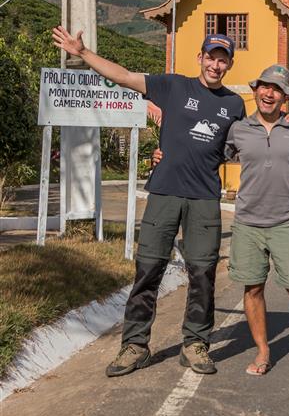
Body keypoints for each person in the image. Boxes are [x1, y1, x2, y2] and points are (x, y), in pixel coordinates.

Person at [52, 27, 245, 377]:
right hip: (165, 193)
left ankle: (195, 343)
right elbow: (123, 76)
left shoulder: (234, 104)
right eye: (211, 57)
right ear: (200, 57)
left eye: (223, 59)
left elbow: (241, 146)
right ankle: (135, 345)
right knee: (149, 270)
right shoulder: (173, 86)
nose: (216, 65)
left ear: (229, 64)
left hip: (204, 198)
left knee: (202, 273)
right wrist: (83, 52)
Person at [222, 65, 289, 387]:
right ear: (257, 91)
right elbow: (214, 154)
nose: (269, 93)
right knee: (253, 287)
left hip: (286, 221)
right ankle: (262, 351)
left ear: (286, 97)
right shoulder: (238, 129)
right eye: (265, 87)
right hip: (247, 222)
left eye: (277, 89)